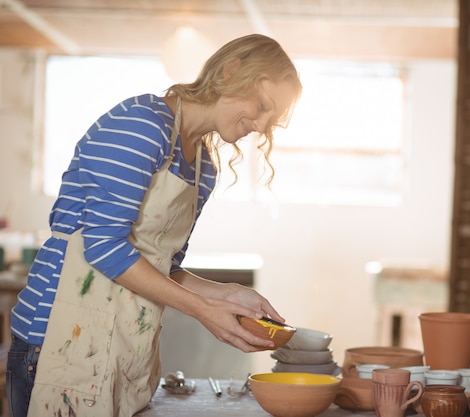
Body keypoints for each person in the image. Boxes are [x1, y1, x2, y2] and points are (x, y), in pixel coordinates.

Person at [7, 33, 302, 417]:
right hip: (54, 343)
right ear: (231, 71)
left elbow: (162, 268)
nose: (262, 126)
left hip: (123, 352)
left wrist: (225, 295)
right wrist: (202, 310)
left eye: (273, 120)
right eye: (262, 105)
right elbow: (103, 246)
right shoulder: (143, 124)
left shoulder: (204, 170)